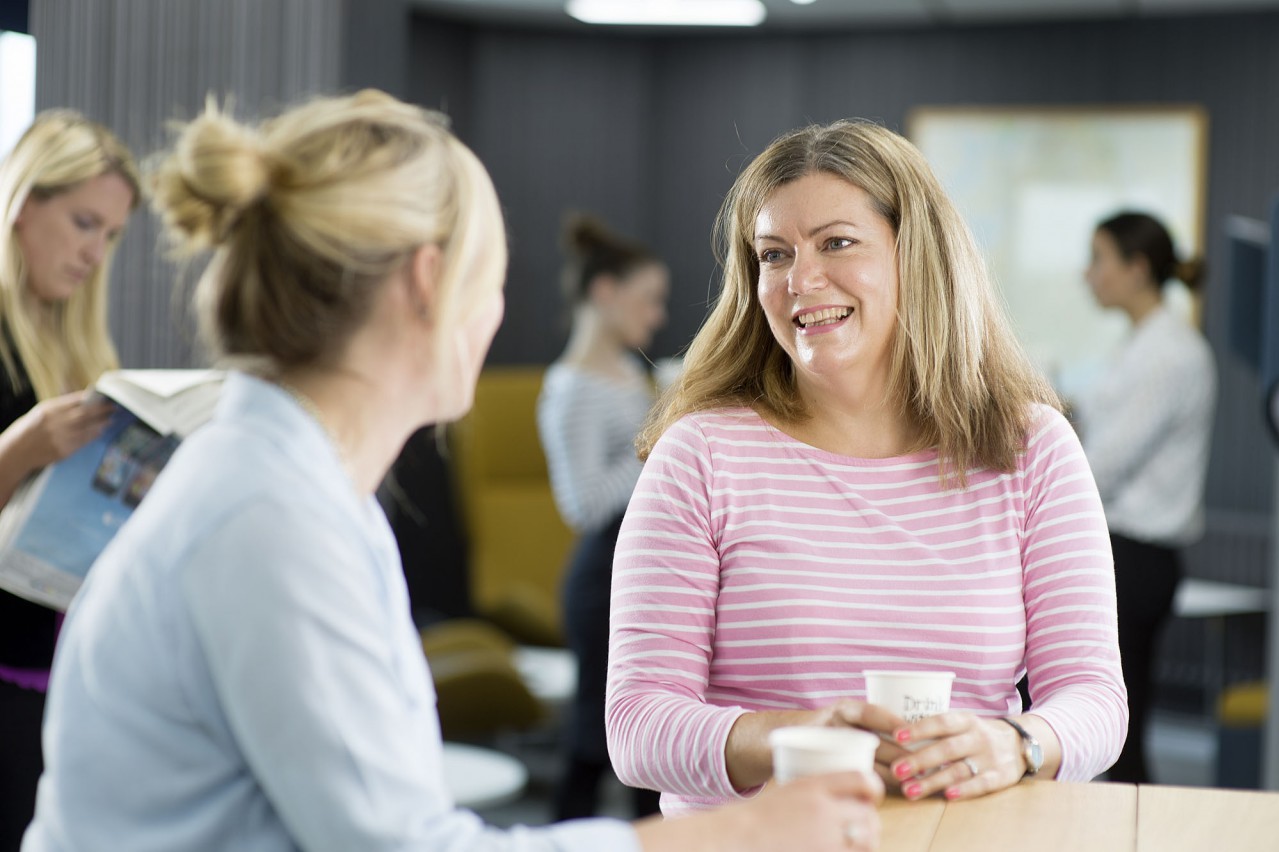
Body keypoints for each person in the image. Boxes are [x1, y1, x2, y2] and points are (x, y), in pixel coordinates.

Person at [23, 91, 883, 852]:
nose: (496, 311)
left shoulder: (289, 488)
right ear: (429, 282)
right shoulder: (269, 519)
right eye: (493, 276)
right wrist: (741, 834)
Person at [605, 119, 1129, 816]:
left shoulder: (1031, 449)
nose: (801, 280)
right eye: (774, 255)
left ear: (918, 256)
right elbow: (637, 727)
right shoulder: (700, 456)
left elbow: (1094, 698)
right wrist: (799, 739)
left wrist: (1019, 743)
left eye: (837, 243)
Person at [0, 110, 139, 849]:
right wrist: (21, 449)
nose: (95, 252)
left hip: (63, 668)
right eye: (85, 223)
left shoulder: (77, 346)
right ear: (23, 203)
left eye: (110, 235)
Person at [1076, 211, 1216, 784]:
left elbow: (1101, 466)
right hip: (1123, 552)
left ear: (1136, 268)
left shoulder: (1168, 354)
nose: (1087, 274)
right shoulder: (1143, 345)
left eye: (1099, 259)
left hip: (1133, 558)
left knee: (1118, 734)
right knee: (1109, 724)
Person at [537, 213, 668, 820]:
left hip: (641, 569)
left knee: (650, 737)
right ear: (605, 291)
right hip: (603, 579)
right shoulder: (572, 388)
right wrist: (658, 438)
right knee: (594, 739)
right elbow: (583, 503)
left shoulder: (631, 372)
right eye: (648, 299)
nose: (656, 316)